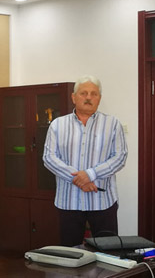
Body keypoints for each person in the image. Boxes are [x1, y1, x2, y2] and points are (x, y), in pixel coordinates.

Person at [43, 75, 127, 246]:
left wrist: (90, 174)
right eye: (83, 93)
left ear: (99, 98)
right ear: (74, 97)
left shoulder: (112, 124)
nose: (88, 97)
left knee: (108, 252)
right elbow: (49, 158)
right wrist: (79, 179)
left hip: (102, 202)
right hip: (69, 202)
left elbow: (120, 157)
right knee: (70, 253)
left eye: (94, 94)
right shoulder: (58, 125)